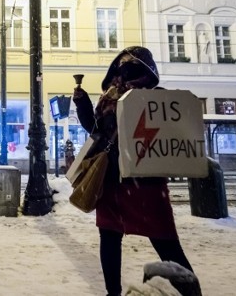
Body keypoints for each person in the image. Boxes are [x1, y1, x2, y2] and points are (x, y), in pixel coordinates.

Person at [72, 46, 194, 296]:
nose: (123, 72)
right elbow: (97, 133)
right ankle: (112, 293)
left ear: (146, 70)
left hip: (145, 183)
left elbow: (164, 131)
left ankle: (191, 291)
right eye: (120, 67)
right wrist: (83, 104)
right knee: (109, 240)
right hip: (112, 181)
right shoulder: (108, 97)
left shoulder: (155, 97)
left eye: (130, 68)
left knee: (166, 244)